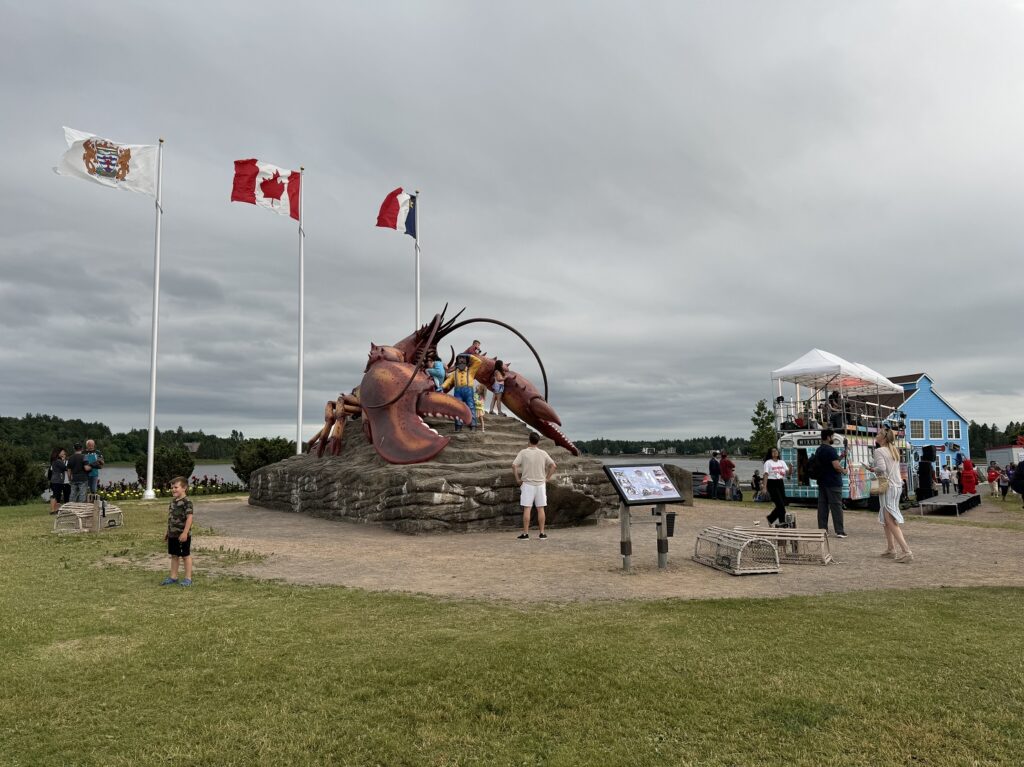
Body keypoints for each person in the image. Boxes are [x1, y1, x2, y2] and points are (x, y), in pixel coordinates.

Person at [868, 424, 912, 562]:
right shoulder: (893, 450)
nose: (876, 435)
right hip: (895, 485)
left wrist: (872, 469)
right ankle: (891, 548)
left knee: (889, 519)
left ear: (883, 437)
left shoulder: (879, 451)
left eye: (878, 433)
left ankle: (906, 551)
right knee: (886, 517)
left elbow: (881, 468)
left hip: (888, 486)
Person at [512, 431, 556, 540]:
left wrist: (518, 479)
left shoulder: (523, 452)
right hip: (540, 484)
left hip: (527, 484)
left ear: (529, 440)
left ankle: (526, 534)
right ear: (538, 441)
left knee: (527, 508)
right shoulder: (543, 453)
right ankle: (542, 533)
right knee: (541, 508)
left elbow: (514, 465)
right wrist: (547, 478)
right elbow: (553, 466)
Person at [160, 476, 194, 587]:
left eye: (176, 487)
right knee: (174, 555)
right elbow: (171, 518)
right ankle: (173, 577)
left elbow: (189, 518)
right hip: (172, 534)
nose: (173, 489)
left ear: (184, 488)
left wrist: (185, 533)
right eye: (172, 487)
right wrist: (167, 531)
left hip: (182, 535)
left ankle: (188, 578)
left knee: (185, 555)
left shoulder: (187, 502)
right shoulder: (173, 502)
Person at [815, 428, 848, 537]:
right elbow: (836, 466)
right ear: (828, 437)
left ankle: (823, 530)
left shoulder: (819, 450)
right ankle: (839, 531)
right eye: (832, 436)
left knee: (823, 507)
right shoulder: (831, 450)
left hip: (822, 482)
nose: (833, 438)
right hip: (833, 482)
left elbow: (830, 462)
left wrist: (841, 456)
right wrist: (844, 471)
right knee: (836, 507)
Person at [442, 353, 483, 431]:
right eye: (460, 359)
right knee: (457, 408)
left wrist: (469, 356)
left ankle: (473, 425)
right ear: (457, 362)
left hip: (468, 391)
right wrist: (442, 387)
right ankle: (458, 426)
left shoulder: (471, 371)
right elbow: (448, 381)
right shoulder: (454, 373)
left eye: (463, 359)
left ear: (467, 362)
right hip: (458, 392)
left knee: (471, 407)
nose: (461, 361)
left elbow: (479, 362)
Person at [762, 447, 790, 527]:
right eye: (773, 451)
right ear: (770, 453)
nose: (775, 452)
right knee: (780, 504)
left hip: (780, 482)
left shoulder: (781, 462)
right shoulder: (768, 462)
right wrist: (764, 487)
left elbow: (788, 473)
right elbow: (766, 474)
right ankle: (782, 521)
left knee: (783, 503)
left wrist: (791, 468)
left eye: (776, 451)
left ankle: (770, 518)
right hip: (772, 483)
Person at [48, 447, 69, 514]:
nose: (64, 453)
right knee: (56, 495)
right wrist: (64, 460)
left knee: (56, 495)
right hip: (57, 480)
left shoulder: (54, 460)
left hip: (55, 480)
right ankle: (54, 510)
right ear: (58, 453)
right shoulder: (58, 461)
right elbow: (65, 468)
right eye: (62, 452)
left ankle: (54, 509)